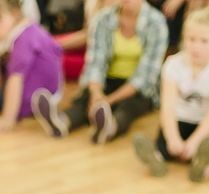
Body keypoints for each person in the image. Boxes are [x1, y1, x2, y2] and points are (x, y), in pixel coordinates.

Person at [31, 0, 168, 142]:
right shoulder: (103, 18)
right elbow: (96, 63)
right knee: (85, 101)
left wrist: (108, 100)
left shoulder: (157, 23)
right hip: (107, 80)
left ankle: (110, 127)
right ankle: (61, 122)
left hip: (138, 89)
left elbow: (144, 77)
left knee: (128, 108)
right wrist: (96, 94)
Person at [132, 7, 209, 181]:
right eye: (191, 39)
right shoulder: (173, 63)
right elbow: (168, 106)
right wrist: (173, 138)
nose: (196, 46)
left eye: (204, 41)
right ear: (183, 39)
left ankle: (202, 166)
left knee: (207, 144)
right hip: (179, 119)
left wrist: (193, 142)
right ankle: (157, 159)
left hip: (207, 126)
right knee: (165, 145)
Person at [0, 0, 62, 131]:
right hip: (41, 94)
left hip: (32, 99)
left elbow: (15, 80)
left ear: (15, 14)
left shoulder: (23, 37)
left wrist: (7, 120)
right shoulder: (24, 32)